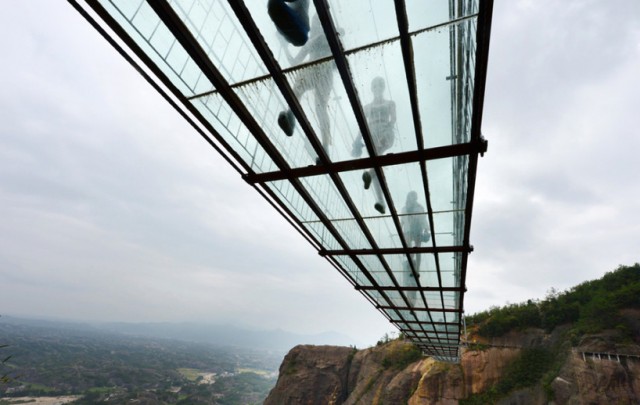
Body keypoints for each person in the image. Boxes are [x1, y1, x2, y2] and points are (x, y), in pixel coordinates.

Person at [277, 14, 336, 160]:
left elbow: (338, 61)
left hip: (325, 71)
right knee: (298, 86)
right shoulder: (312, 41)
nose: (316, 26)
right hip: (315, 70)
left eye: (319, 23)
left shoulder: (328, 38)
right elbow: (295, 62)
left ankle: (325, 147)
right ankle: (291, 115)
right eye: (315, 23)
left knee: (320, 107)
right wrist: (284, 47)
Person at [351, 77, 396, 213]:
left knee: (376, 157)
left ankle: (370, 175)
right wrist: (357, 140)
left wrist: (388, 128)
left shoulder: (390, 103)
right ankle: (380, 201)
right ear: (372, 89)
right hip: (371, 133)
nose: (377, 88)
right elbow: (363, 124)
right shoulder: (367, 107)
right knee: (376, 164)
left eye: (379, 85)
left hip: (385, 131)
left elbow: (393, 119)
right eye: (375, 86)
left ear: (383, 88)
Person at [401, 191, 430, 304]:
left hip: (417, 230)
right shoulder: (405, 208)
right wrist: (400, 229)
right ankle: (411, 265)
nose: (413, 198)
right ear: (409, 197)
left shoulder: (419, 207)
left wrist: (426, 230)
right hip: (408, 231)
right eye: (411, 196)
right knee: (409, 250)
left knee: (418, 250)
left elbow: (423, 219)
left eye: (415, 196)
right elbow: (402, 220)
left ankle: (416, 269)